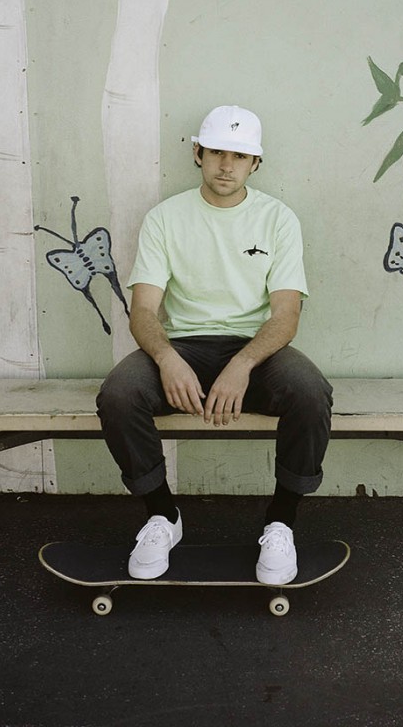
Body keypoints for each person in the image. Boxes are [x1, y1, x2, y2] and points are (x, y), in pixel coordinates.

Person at [96, 105, 332, 585]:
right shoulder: (165, 218)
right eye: (217, 152)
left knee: (311, 391)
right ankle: (162, 516)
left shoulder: (277, 219)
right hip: (183, 347)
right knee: (118, 394)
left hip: (255, 351)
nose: (227, 165)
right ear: (197, 154)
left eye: (240, 156)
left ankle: (281, 521)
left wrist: (242, 364)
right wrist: (166, 357)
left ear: (255, 163)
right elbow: (143, 310)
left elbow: (286, 315)